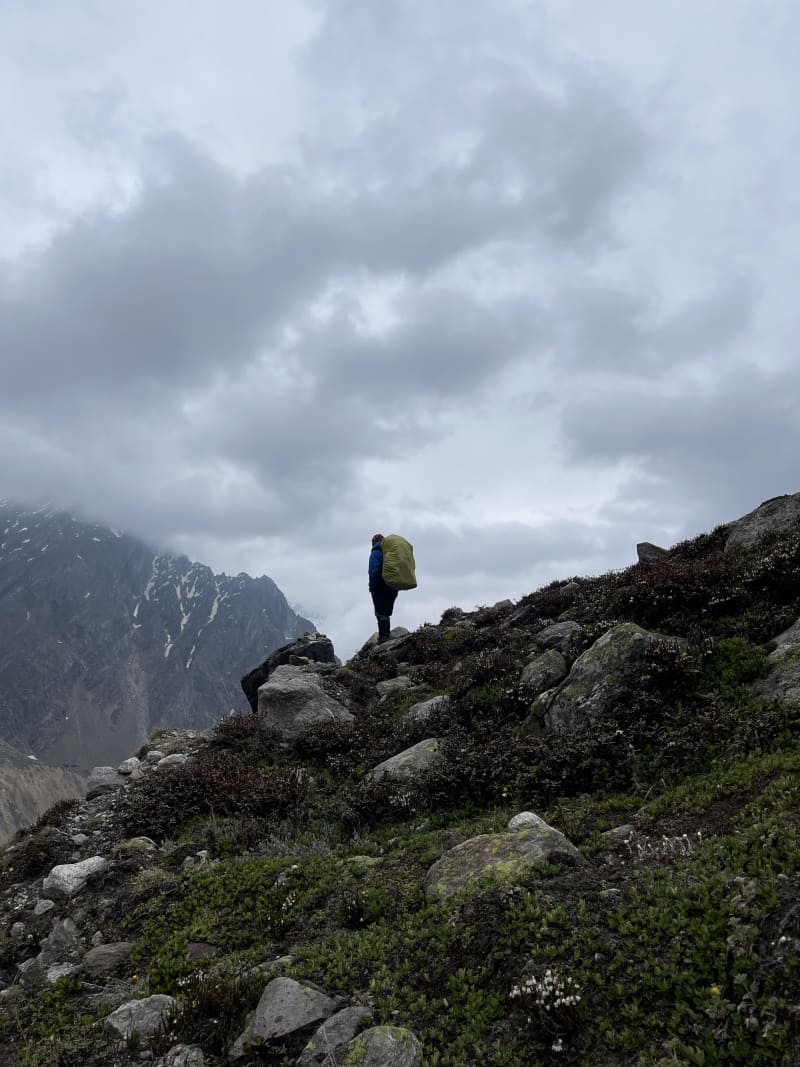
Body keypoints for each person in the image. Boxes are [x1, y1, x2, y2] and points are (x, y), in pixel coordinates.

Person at [369, 533, 397, 642]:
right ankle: (386, 634)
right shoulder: (391, 552)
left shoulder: (376, 553)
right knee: (386, 611)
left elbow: (373, 570)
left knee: (380, 612)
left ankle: (384, 637)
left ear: (373, 543)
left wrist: (372, 586)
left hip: (380, 586)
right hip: (393, 585)